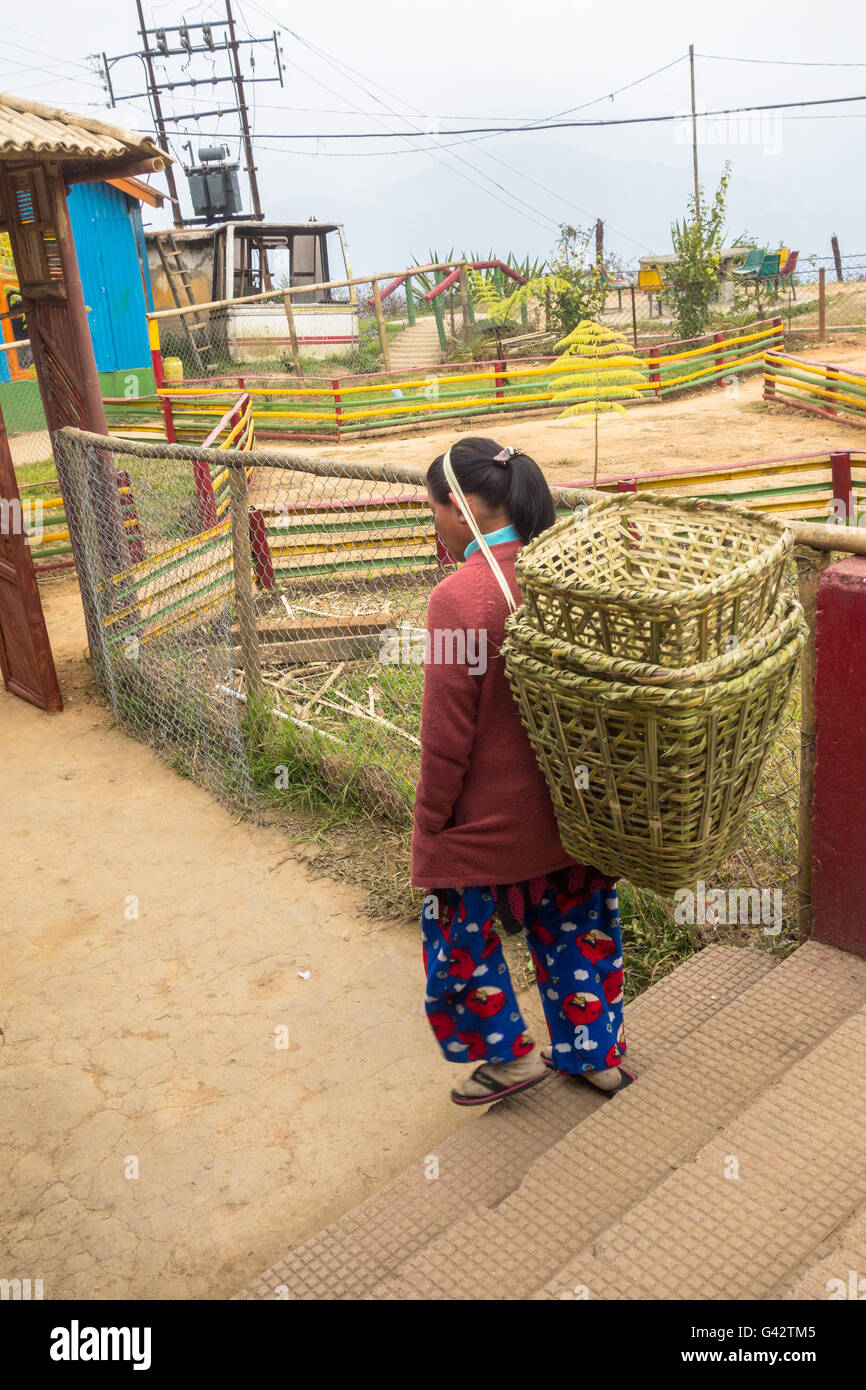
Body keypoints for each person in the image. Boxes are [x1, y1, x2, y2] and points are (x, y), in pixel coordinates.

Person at [412, 436, 634, 1106]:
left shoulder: (459, 600)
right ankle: (596, 1055)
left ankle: (507, 1057)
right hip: (575, 814)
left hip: (489, 825)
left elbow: (446, 742)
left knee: (455, 932)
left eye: (431, 511)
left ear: (457, 508)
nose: (433, 525)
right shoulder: (568, 573)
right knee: (574, 925)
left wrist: (431, 829)